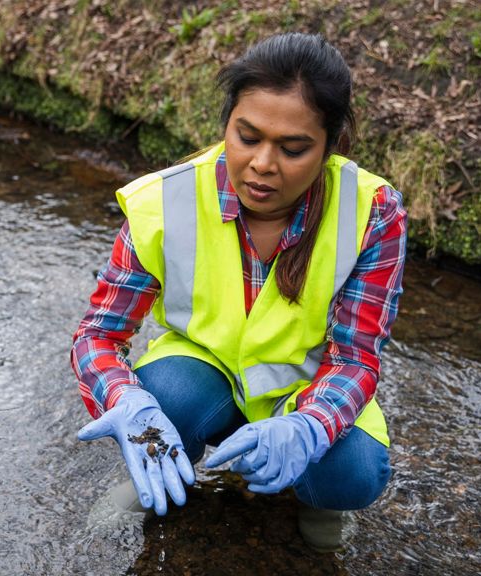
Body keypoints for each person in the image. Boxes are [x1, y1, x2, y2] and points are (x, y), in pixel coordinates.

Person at [70, 33, 406, 552]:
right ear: (227, 123)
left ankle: (319, 500)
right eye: (247, 137)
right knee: (164, 398)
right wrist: (126, 400)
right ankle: (160, 468)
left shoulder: (373, 211)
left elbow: (357, 358)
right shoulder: (167, 198)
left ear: (331, 145)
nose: (263, 164)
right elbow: (98, 334)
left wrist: (311, 427)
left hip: (306, 387)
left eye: (294, 149)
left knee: (353, 471)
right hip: (205, 374)